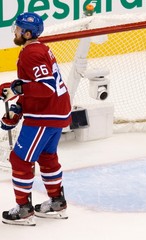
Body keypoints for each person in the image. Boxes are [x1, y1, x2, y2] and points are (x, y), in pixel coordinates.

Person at [0, 12, 71, 226]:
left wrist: (16, 89)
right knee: (47, 157)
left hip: (45, 116)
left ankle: (23, 209)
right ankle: (57, 202)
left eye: (19, 29)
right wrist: (19, 108)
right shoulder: (38, 49)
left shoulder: (32, 53)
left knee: (19, 159)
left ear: (27, 33)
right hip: (55, 112)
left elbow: (46, 88)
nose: (16, 31)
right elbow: (34, 86)